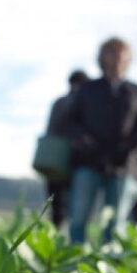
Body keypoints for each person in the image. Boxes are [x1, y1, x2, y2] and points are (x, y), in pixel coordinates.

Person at [65, 38, 137, 244]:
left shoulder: (135, 91)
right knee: (79, 219)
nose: (116, 55)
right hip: (88, 161)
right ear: (101, 57)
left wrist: (129, 147)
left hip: (124, 165)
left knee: (116, 225)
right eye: (111, 51)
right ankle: (75, 265)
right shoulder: (88, 89)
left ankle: (110, 267)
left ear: (128, 58)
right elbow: (71, 121)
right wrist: (84, 141)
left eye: (121, 51)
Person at [44, 70, 89, 227]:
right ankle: (66, 240)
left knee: (56, 205)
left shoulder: (58, 102)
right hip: (74, 161)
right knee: (72, 205)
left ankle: (56, 234)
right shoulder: (81, 104)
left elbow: (49, 131)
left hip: (53, 160)